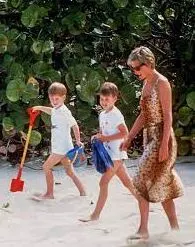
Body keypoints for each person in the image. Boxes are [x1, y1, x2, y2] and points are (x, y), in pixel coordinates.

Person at [121, 46, 184, 239]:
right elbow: (143, 114)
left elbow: (167, 116)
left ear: (148, 64)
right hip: (150, 137)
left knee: (139, 181)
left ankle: (143, 230)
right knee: (162, 185)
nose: (135, 72)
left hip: (162, 137)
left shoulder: (162, 83)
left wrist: (164, 144)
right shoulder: (146, 82)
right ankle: (174, 229)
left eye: (137, 68)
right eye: (132, 69)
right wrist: (130, 137)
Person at [79, 82, 137, 222]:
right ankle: (145, 202)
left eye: (107, 99)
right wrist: (98, 136)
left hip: (116, 154)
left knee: (103, 183)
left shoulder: (116, 114)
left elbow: (125, 133)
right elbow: (103, 131)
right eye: (102, 99)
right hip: (109, 153)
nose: (104, 102)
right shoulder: (102, 114)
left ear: (115, 99)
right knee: (128, 183)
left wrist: (105, 138)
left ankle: (95, 215)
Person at [32, 82, 86, 199]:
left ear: (64, 98)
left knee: (46, 167)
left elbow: (74, 125)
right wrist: (40, 108)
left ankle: (50, 194)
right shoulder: (57, 109)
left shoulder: (64, 111)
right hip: (63, 146)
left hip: (61, 148)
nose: (54, 101)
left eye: (57, 99)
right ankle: (83, 192)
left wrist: (78, 140)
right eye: (52, 99)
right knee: (69, 172)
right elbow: (52, 111)